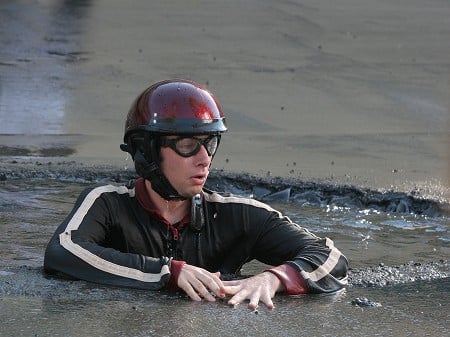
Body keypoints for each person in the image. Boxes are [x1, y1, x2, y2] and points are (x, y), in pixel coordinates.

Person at [44, 79, 348, 309]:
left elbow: (331, 257)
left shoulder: (238, 215)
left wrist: (273, 278)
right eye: (188, 145)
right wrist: (167, 273)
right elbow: (63, 252)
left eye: (210, 143)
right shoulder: (107, 202)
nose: (205, 159)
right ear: (146, 152)